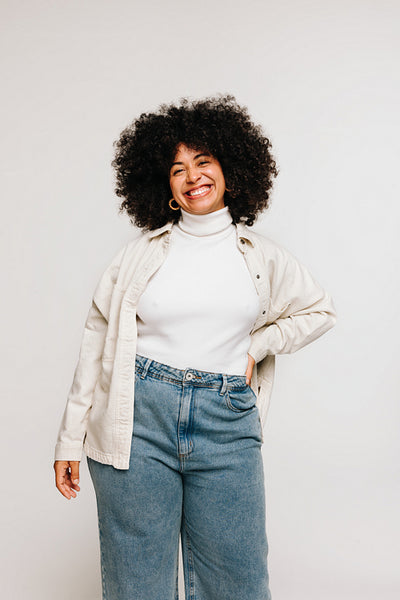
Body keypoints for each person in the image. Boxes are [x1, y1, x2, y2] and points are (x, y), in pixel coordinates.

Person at [53, 94, 337, 600]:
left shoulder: (262, 257)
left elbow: (319, 311)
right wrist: (69, 440)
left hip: (226, 418)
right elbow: (95, 346)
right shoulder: (138, 256)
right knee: (136, 581)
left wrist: (260, 345)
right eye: (178, 168)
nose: (192, 177)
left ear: (230, 169)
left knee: (238, 579)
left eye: (203, 162)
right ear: (163, 185)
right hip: (137, 417)